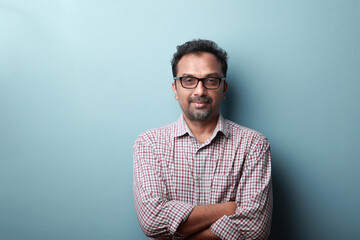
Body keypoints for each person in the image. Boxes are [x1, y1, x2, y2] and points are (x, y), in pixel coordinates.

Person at [133, 39, 272, 240]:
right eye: (188, 80)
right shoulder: (149, 143)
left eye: (211, 80)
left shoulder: (253, 144)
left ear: (224, 89)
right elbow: (153, 221)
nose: (200, 91)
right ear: (175, 89)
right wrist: (229, 208)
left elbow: (254, 229)